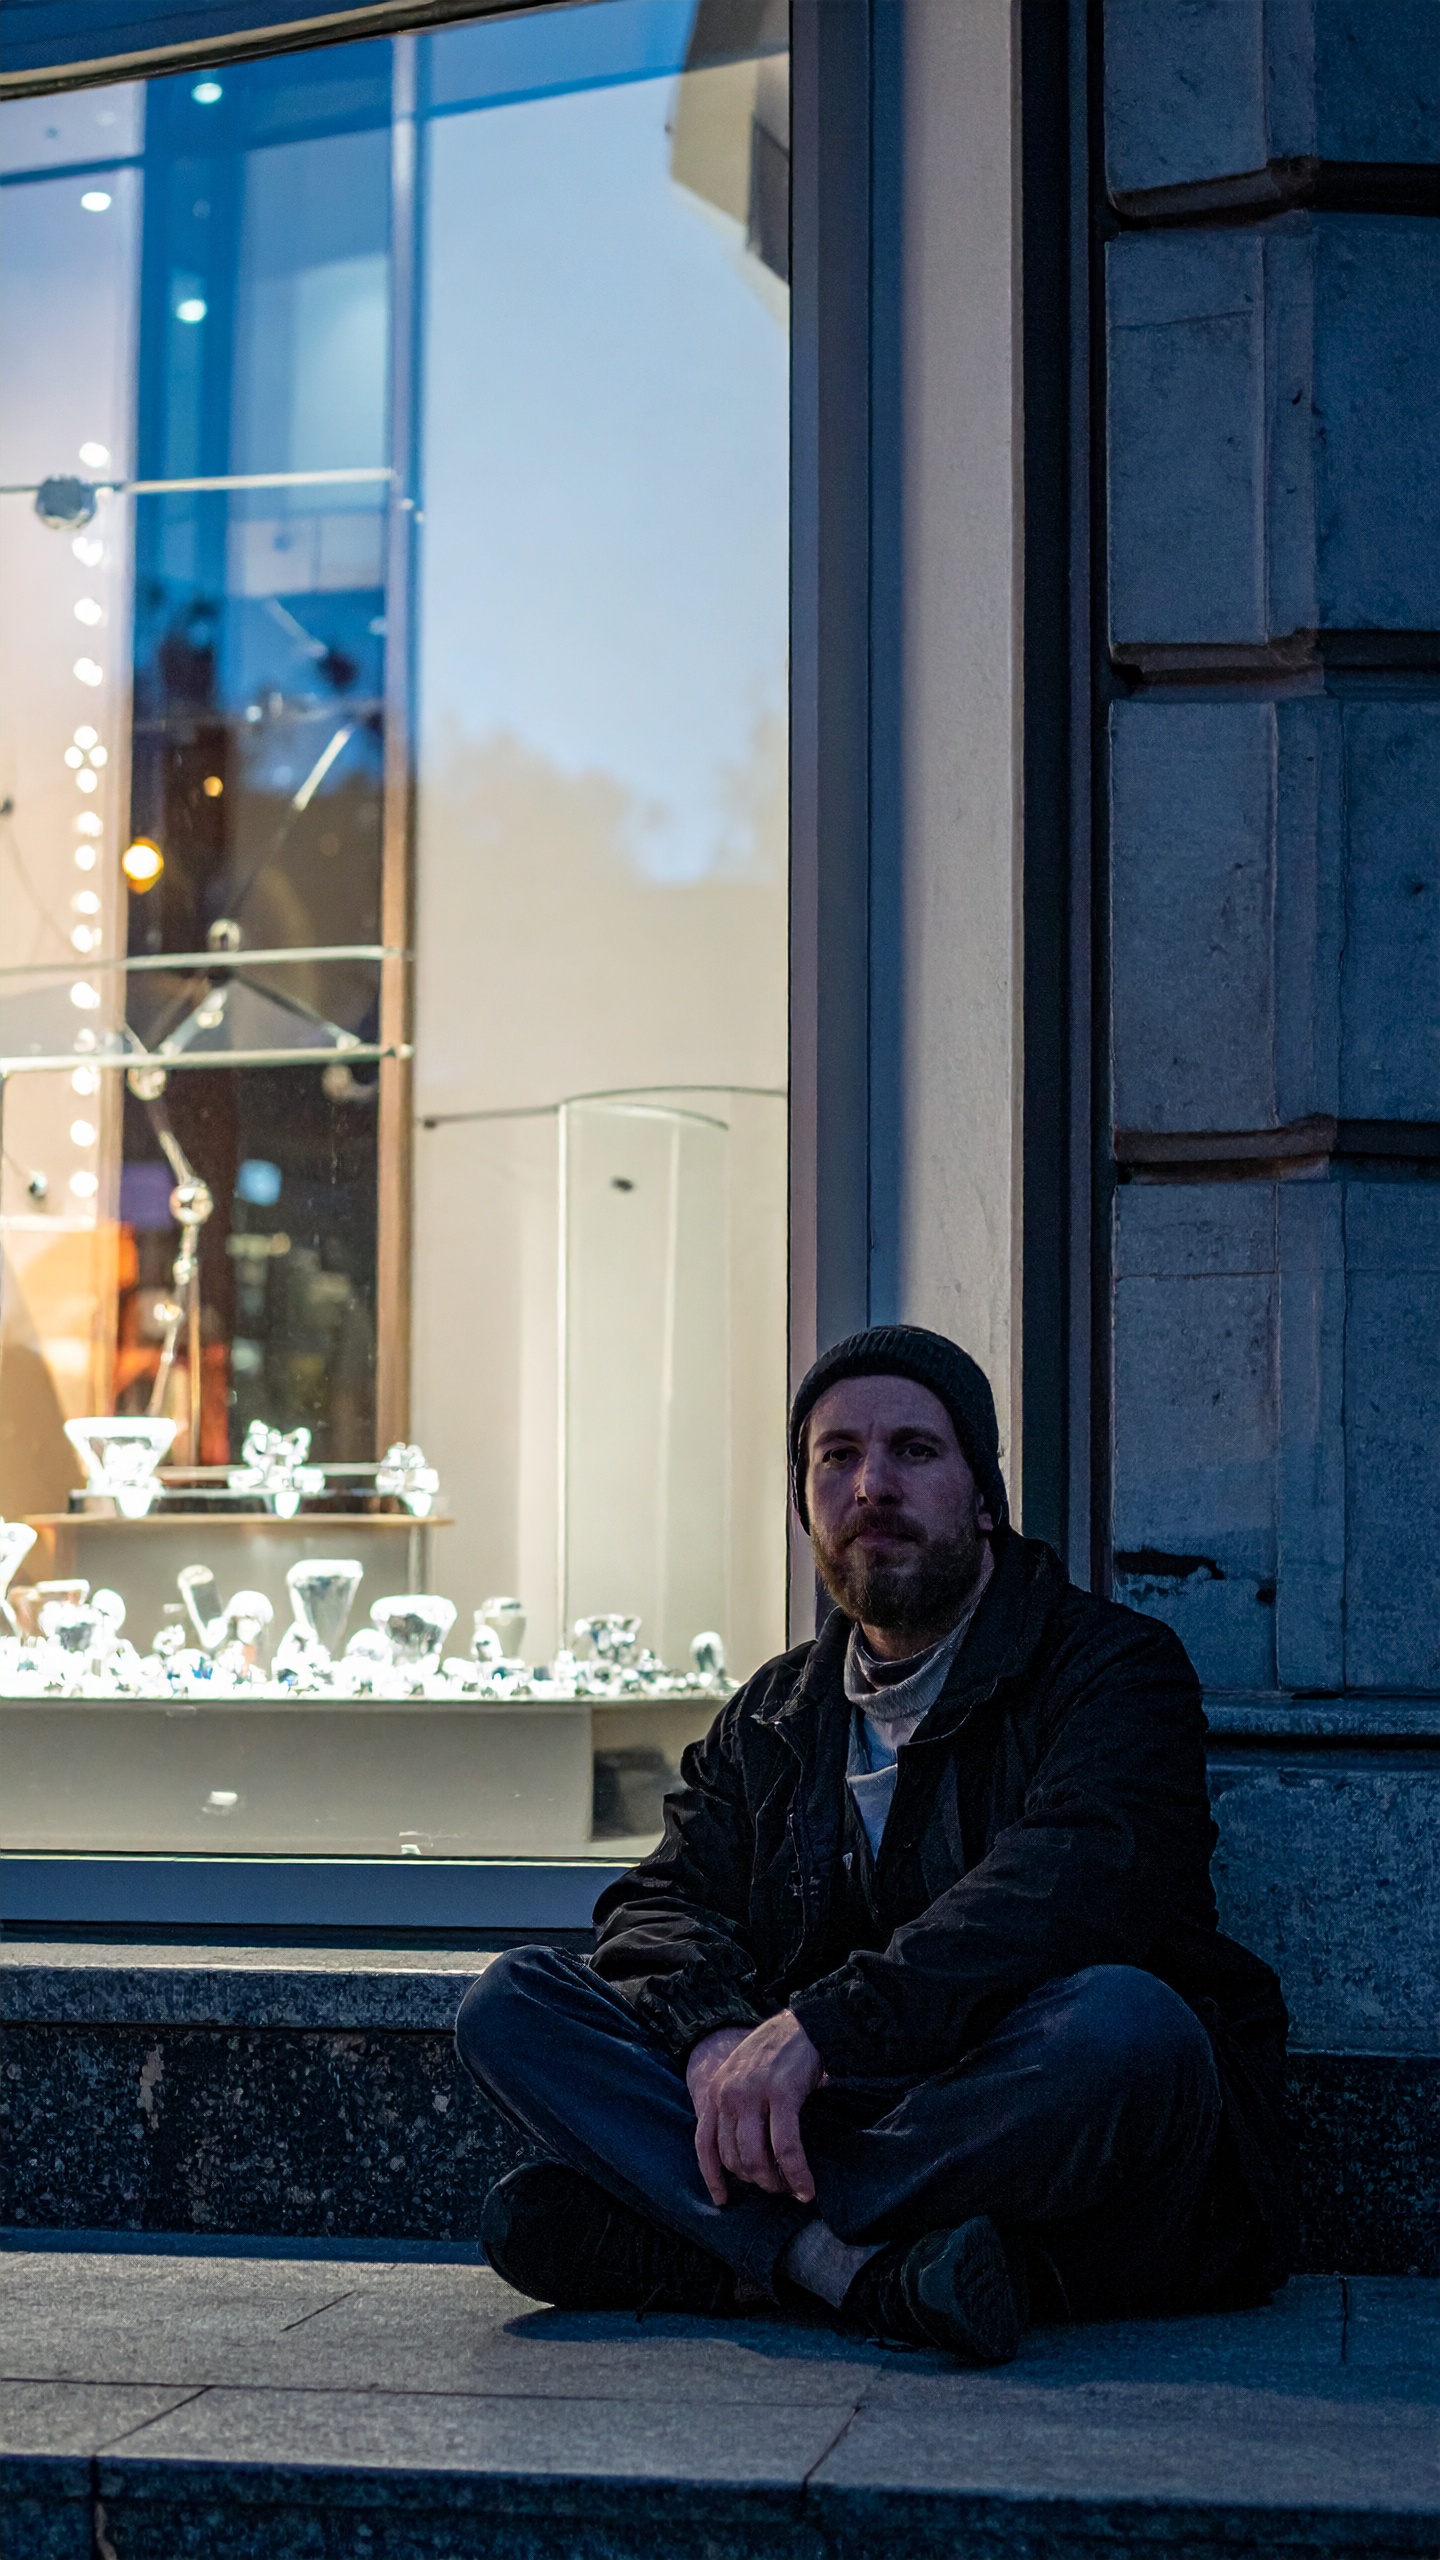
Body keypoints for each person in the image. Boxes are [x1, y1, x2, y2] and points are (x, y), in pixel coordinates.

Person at [456, 1324, 1293, 2362]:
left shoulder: (1112, 1669)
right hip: (836, 2106)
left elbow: (1070, 1888)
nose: (872, 1486)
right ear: (805, 1503)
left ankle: (731, 2244)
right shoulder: (774, 1712)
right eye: (838, 1456)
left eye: (915, 1451)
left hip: (1014, 2107)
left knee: (1132, 2025)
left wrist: (822, 2029)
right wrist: (719, 2040)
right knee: (514, 2002)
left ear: (982, 1496)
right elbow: (658, 1905)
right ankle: (865, 2273)